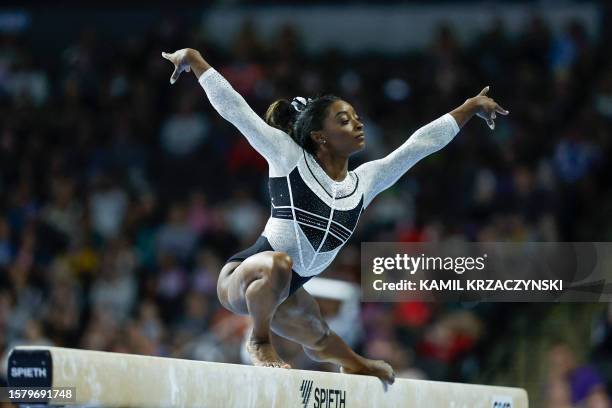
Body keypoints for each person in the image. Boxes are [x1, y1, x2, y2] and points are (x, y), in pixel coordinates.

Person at [162, 48, 508, 384]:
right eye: (344, 119)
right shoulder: (288, 157)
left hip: (286, 290)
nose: (357, 123)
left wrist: (469, 107)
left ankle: (355, 365)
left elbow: (419, 145)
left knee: (320, 336)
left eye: (356, 117)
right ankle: (260, 342)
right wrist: (195, 59)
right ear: (320, 136)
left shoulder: (364, 182)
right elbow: (236, 109)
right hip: (243, 277)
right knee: (279, 264)